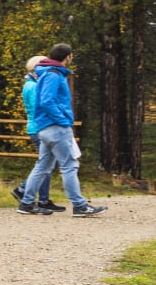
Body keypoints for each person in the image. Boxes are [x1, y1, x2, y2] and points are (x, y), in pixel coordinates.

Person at [19, 43, 107, 217]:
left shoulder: (46, 73)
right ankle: (79, 205)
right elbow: (46, 101)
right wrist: (64, 120)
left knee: (43, 166)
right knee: (69, 165)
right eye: (71, 55)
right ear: (68, 56)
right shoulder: (54, 74)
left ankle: (26, 203)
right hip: (56, 128)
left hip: (44, 127)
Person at [10, 55, 64, 212]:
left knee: (48, 165)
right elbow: (39, 107)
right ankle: (25, 191)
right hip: (39, 128)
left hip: (37, 127)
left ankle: (42, 199)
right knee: (45, 165)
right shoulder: (33, 86)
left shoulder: (33, 84)